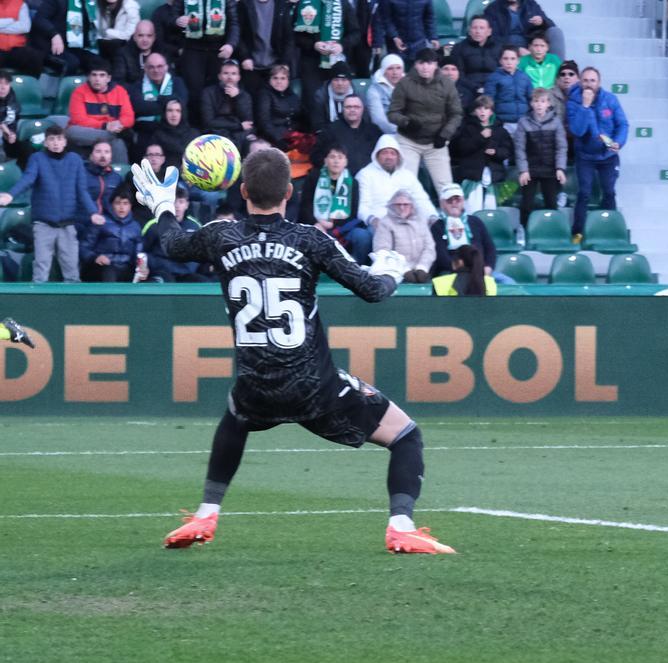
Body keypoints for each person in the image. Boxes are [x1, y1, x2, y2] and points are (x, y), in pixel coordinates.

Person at [133, 147, 454, 554]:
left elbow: (174, 245)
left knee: (237, 413)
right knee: (406, 435)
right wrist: (392, 270)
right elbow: (372, 291)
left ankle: (206, 512)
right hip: (314, 386)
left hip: (257, 384)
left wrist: (163, 206)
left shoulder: (219, 235)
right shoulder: (309, 239)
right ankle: (401, 526)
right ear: (289, 191)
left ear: (243, 189)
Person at [0, 124, 104, 283]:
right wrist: (10, 195)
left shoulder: (75, 160)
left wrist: (93, 213)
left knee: (71, 269)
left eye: (59, 139)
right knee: (41, 267)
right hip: (43, 224)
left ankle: (74, 304)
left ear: (65, 142)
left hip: (68, 224)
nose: (56, 143)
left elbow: (82, 191)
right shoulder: (37, 159)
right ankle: (37, 305)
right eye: (52, 139)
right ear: (46, 142)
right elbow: (28, 179)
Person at [387, 48, 463, 195]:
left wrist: (445, 134)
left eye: (429, 63)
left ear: (435, 65)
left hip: (436, 142)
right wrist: (406, 122)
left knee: (446, 188)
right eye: (421, 63)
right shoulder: (404, 83)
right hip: (409, 141)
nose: (425, 67)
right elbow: (392, 113)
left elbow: (456, 113)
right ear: (416, 65)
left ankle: (451, 217)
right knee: (405, 187)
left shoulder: (447, 84)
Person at [567, 67, 628, 242]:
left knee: (609, 191)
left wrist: (619, 141)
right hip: (585, 156)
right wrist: (585, 106)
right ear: (580, 82)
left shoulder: (610, 99)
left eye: (592, 80)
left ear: (599, 83)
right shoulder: (573, 102)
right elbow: (577, 130)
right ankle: (577, 233)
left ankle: (609, 230)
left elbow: (622, 124)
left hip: (608, 156)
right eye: (585, 80)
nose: (588, 84)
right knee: (584, 193)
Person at [152, 0, 240, 122]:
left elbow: (234, 23)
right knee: (193, 92)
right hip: (192, 50)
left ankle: (216, 126)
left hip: (218, 50)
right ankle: (194, 128)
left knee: (217, 91)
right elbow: (171, 17)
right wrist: (177, 21)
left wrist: (231, 45)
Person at [299, 144, 371, 264]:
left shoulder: (353, 183)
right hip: (316, 225)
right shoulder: (314, 177)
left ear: (345, 162)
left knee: (362, 236)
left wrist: (332, 223)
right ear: (326, 161)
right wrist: (318, 222)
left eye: (340, 157)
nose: (336, 161)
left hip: (343, 228)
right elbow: (305, 205)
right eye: (332, 157)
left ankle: (357, 269)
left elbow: (353, 212)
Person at [355, 134, 437, 233]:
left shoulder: (407, 175)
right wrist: (373, 220)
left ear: (398, 156)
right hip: (379, 223)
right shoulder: (365, 174)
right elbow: (363, 207)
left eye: (392, 153)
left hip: (407, 222)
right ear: (377, 155)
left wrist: (432, 216)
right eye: (384, 153)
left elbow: (421, 200)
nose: (389, 157)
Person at [291, 0, 359, 113]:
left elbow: (355, 33)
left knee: (339, 97)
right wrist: (314, 45)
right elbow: (294, 35)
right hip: (311, 62)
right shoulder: (304, 3)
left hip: (337, 61)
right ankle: (314, 128)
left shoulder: (342, 4)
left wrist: (342, 45)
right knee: (312, 100)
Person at [449, 94, 513, 213]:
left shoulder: (500, 130)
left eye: (486, 108)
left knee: (491, 209)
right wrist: (480, 137)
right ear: (474, 111)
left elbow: (507, 150)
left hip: (493, 176)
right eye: (479, 108)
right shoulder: (467, 128)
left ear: (491, 112)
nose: (482, 111)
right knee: (472, 209)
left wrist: (496, 152)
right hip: (473, 175)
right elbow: (462, 149)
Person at [513, 87, 567, 225]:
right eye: (536, 101)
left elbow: (561, 147)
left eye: (542, 101)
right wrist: (523, 170)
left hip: (550, 170)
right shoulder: (523, 122)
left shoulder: (556, 122)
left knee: (551, 204)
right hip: (530, 170)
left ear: (548, 103)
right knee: (526, 204)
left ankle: (552, 231)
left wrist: (560, 168)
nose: (539, 104)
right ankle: (523, 231)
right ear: (531, 103)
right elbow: (520, 148)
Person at [66, 60, 134, 164]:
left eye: (102, 75)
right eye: (94, 75)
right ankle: (112, 136)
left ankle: (120, 177)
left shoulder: (120, 91)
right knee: (72, 131)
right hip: (88, 133)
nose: (97, 79)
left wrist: (119, 124)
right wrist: (105, 126)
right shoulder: (79, 92)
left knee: (118, 143)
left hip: (111, 130)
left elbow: (129, 117)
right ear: (88, 77)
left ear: (109, 78)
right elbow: (78, 120)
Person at [142, 185, 214, 282]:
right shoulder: (154, 224)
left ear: (187, 204)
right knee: (161, 281)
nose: (177, 206)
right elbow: (143, 252)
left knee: (205, 283)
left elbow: (202, 254)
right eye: (173, 202)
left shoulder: (195, 226)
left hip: (187, 274)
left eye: (181, 201)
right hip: (162, 272)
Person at [428, 182, 497, 277]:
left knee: (507, 282)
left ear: (463, 201)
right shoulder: (437, 226)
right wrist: (463, 270)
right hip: (451, 272)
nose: (454, 203)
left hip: (481, 271)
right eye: (449, 200)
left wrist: (488, 268)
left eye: (457, 200)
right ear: (442, 203)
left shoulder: (476, 222)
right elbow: (440, 256)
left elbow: (490, 248)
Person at [372, 188, 435, 283]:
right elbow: (383, 252)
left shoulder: (421, 221)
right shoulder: (385, 223)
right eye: (398, 205)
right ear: (392, 206)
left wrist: (422, 267)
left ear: (412, 206)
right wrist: (404, 270)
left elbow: (429, 247)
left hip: (423, 270)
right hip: (397, 273)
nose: (402, 207)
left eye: (405, 204)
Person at [79, 189, 143, 282]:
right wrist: (95, 257)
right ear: (111, 204)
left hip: (126, 268)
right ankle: (110, 297)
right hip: (101, 268)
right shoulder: (101, 222)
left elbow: (138, 253)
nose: (122, 207)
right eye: (118, 203)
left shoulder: (135, 226)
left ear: (130, 206)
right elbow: (83, 248)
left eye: (125, 203)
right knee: (109, 271)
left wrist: (141, 266)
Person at [234, 0, 297, 93]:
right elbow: (239, 34)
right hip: (251, 65)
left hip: (275, 64)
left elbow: (289, 38)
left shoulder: (281, 5)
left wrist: (284, 62)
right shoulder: (245, 4)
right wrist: (245, 56)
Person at [310, 94, 381, 175]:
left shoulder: (374, 131)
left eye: (356, 107)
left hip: (369, 179)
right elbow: (315, 156)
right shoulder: (330, 130)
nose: (352, 110)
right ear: (342, 109)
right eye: (348, 107)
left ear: (363, 109)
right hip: (340, 179)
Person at [199, 59, 254, 149]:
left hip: (239, 134)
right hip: (216, 132)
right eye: (226, 73)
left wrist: (238, 98)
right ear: (219, 76)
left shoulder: (244, 95)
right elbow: (208, 122)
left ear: (239, 77)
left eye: (233, 73)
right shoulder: (208, 92)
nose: (229, 77)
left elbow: (248, 122)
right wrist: (238, 126)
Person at [129, 52, 187, 133]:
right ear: (145, 68)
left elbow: (181, 103)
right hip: (146, 130)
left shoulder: (177, 82)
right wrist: (167, 104)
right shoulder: (137, 85)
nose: (156, 70)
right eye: (151, 67)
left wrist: (154, 104)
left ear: (166, 67)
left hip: (172, 129)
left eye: (159, 66)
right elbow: (139, 108)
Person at [483, 0, 562, 56]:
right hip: (506, 46)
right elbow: (492, 37)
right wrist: (516, 49)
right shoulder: (493, 9)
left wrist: (542, 22)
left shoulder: (530, 4)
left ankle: (560, 73)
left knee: (555, 32)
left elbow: (551, 24)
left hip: (531, 45)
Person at [254, 63, 305, 149]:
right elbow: (264, 122)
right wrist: (279, 139)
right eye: (275, 78)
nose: (279, 81)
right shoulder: (264, 94)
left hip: (292, 136)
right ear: (270, 80)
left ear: (288, 81)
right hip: (273, 138)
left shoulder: (292, 95)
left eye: (283, 78)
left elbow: (300, 117)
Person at [450, 15, 502, 96]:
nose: (477, 31)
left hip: (493, 86)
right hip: (468, 88)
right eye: (474, 28)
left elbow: (502, 72)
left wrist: (490, 87)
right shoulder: (459, 48)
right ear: (470, 30)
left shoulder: (499, 48)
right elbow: (459, 74)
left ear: (489, 32)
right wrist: (476, 88)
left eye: (482, 28)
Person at [373, 0, 438, 64]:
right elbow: (385, 19)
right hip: (396, 44)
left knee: (417, 70)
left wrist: (432, 37)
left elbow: (429, 17)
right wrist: (394, 36)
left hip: (418, 42)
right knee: (397, 70)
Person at [484, 46, 533, 128]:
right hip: (502, 122)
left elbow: (531, 98)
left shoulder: (525, 77)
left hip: (524, 122)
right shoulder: (494, 77)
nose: (509, 62)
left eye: (513, 59)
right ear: (500, 61)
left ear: (518, 60)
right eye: (505, 58)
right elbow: (488, 101)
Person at [146, 97, 197, 168]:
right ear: (164, 113)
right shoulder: (157, 135)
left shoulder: (193, 134)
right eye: (170, 110)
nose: (174, 114)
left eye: (178, 111)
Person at [0, 1, 46, 76]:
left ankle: (28, 86)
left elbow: (25, 27)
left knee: (35, 58)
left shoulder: (20, 4)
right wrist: (11, 21)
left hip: (17, 47)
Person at [366, 53, 405, 134]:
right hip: (387, 135)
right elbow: (379, 120)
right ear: (383, 71)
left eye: (398, 68)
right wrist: (401, 133)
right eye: (390, 68)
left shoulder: (409, 86)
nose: (395, 72)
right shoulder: (374, 90)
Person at [82, 140, 122, 217]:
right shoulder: (82, 173)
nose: (103, 155)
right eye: (98, 151)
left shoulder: (117, 178)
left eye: (107, 152)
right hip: (85, 220)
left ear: (111, 157)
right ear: (91, 155)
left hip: (108, 221)